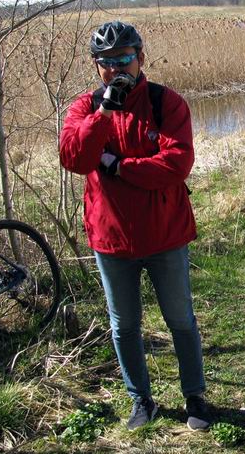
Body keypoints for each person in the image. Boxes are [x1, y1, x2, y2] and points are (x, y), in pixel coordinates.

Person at [59, 21, 211, 431]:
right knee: (124, 325)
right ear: (96, 67)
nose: (116, 69)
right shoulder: (84, 108)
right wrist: (105, 114)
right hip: (111, 240)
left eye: (124, 59)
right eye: (106, 62)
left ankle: (194, 396)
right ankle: (140, 400)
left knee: (180, 319)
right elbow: (74, 158)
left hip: (165, 234)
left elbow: (175, 165)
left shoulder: (167, 103)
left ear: (141, 58)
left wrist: (117, 165)